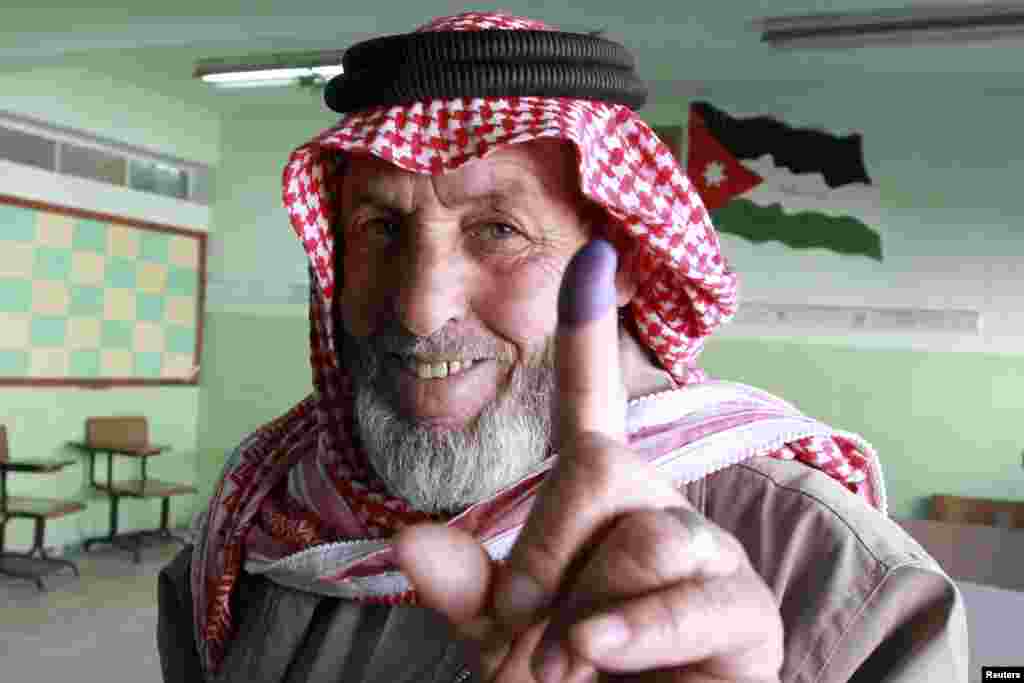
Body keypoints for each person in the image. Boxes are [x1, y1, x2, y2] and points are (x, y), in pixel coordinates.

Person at [158, 11, 968, 683]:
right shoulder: (264, 518)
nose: (417, 307)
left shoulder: (839, 576)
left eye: (499, 230)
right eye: (381, 227)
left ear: (620, 263)